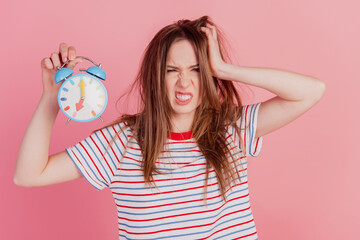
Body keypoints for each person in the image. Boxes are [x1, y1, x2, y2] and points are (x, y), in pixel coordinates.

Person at [14, 15, 325, 239]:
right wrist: (51, 99)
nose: (184, 81)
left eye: (196, 69)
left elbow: (311, 91)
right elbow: (28, 175)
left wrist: (224, 68)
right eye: (172, 70)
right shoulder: (119, 143)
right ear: (155, 77)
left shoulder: (231, 129)